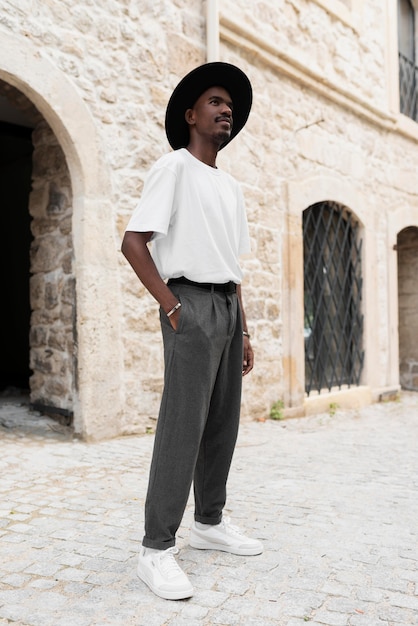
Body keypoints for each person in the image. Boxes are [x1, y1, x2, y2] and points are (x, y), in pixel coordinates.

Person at [121, 62, 263, 601]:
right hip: (191, 304)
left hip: (227, 307)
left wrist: (244, 331)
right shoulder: (173, 169)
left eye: (230, 105)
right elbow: (134, 242)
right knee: (182, 425)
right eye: (215, 102)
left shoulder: (231, 187)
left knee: (222, 422)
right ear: (190, 115)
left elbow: (233, 264)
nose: (226, 109)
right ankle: (156, 550)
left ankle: (209, 521)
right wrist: (173, 307)